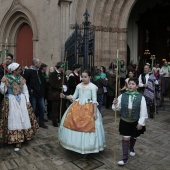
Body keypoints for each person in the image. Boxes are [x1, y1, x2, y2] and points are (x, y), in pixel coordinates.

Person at [59, 70, 106, 154]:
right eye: (82, 77)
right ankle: (75, 145)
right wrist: (65, 96)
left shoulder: (92, 87)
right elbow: (73, 97)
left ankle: (87, 147)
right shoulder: (78, 86)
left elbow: (94, 101)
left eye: (85, 77)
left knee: (88, 126)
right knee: (73, 124)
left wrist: (95, 113)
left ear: (89, 77)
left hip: (88, 108)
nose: (83, 79)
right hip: (77, 107)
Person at [0, 63, 39, 151]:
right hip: (11, 101)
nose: (20, 71)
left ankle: (22, 138)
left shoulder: (21, 79)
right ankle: (14, 139)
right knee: (14, 119)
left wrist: (27, 101)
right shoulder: (6, 78)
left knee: (23, 118)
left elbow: (25, 91)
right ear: (13, 70)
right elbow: (3, 92)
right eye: (18, 70)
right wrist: (3, 83)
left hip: (21, 101)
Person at [112, 78, 148, 166]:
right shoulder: (122, 95)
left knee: (134, 136)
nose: (131, 85)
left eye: (133, 84)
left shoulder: (141, 97)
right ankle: (125, 158)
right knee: (125, 138)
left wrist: (141, 123)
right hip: (125, 120)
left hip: (135, 121)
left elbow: (143, 111)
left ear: (137, 86)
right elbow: (116, 109)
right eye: (129, 84)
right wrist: (115, 103)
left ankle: (131, 148)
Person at [23, 58, 48, 128]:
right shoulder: (28, 71)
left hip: (40, 93)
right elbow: (25, 82)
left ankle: (41, 122)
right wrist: (30, 89)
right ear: (35, 63)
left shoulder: (39, 71)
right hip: (33, 93)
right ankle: (32, 123)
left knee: (42, 108)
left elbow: (42, 81)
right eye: (39, 63)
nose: (40, 64)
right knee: (33, 108)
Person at [48, 62, 67, 127]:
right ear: (60, 67)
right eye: (62, 67)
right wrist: (60, 87)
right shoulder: (52, 74)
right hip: (55, 94)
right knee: (55, 108)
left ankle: (60, 119)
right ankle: (54, 121)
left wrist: (65, 87)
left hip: (62, 94)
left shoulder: (63, 75)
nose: (63, 68)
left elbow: (66, 82)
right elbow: (52, 84)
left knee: (62, 108)